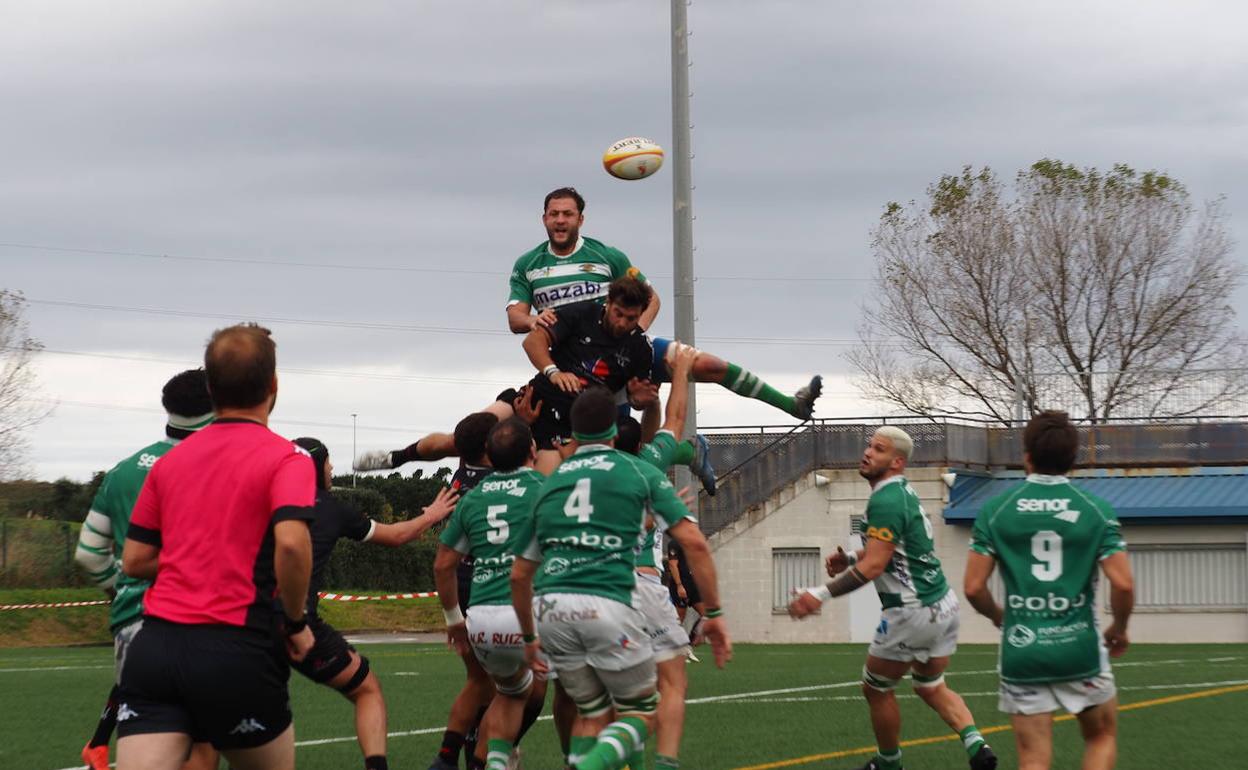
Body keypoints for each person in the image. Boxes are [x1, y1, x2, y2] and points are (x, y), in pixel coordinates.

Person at [116, 323, 317, 770]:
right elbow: (290, 544)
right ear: (274, 386)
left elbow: (135, 559)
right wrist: (296, 620)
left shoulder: (171, 462)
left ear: (210, 388)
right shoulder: (288, 457)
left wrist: (200, 556)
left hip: (156, 650)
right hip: (236, 649)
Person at [510, 387, 732, 770]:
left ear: (573, 435)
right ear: (613, 430)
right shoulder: (637, 469)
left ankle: (579, 761)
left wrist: (530, 639)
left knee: (593, 714)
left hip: (550, 608)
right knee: (643, 710)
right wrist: (713, 612)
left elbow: (519, 574)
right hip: (607, 601)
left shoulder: (552, 481)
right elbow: (693, 542)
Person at [508, 186, 823, 423]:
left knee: (709, 365)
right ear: (544, 218)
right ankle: (687, 451)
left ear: (581, 219)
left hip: (620, 351)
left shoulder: (608, 256)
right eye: (554, 214)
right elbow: (515, 317)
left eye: (568, 214)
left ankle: (791, 405)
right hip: (576, 367)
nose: (560, 220)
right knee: (619, 439)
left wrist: (631, 337)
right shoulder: (529, 264)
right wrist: (532, 321)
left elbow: (651, 298)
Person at [788, 426, 997, 770]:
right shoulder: (902, 493)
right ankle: (977, 745)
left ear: (897, 462)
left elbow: (875, 565)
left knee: (875, 689)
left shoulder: (885, 498)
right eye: (869, 445)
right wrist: (850, 558)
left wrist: (820, 594)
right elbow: (896, 548)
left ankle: (889, 764)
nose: (868, 452)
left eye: (879, 449)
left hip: (911, 613)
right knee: (930, 685)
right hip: (943, 606)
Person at [964, 411, 1134, 770]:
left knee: (1033, 759)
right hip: (1080, 649)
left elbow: (974, 588)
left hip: (1022, 650)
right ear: (1072, 459)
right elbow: (1123, 583)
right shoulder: (1095, 510)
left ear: (1027, 456)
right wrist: (1118, 628)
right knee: (1100, 737)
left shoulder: (996, 511)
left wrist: (1000, 618)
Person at [73, 369, 218, 770]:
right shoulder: (215, 464)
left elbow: (87, 553)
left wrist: (118, 587)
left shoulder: (123, 471)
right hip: (198, 621)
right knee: (200, 749)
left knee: (146, 748)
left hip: (132, 625)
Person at [290, 437, 460, 770]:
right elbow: (397, 536)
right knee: (367, 690)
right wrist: (433, 515)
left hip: (243, 621)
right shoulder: (330, 507)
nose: (332, 468)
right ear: (315, 468)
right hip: (299, 625)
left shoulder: (260, 500)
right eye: (328, 463)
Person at [434, 418, 550, 770]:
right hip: (529, 613)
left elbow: (442, 566)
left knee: (509, 694)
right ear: (532, 451)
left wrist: (455, 620)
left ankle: (484, 762)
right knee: (580, 695)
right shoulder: (545, 488)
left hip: (482, 619)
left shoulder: (474, 498)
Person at [615, 343, 701, 769]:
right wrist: (680, 370)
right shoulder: (650, 462)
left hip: (599, 586)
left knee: (610, 694)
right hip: (645, 585)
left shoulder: (579, 469)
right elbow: (675, 420)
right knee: (670, 683)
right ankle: (664, 763)